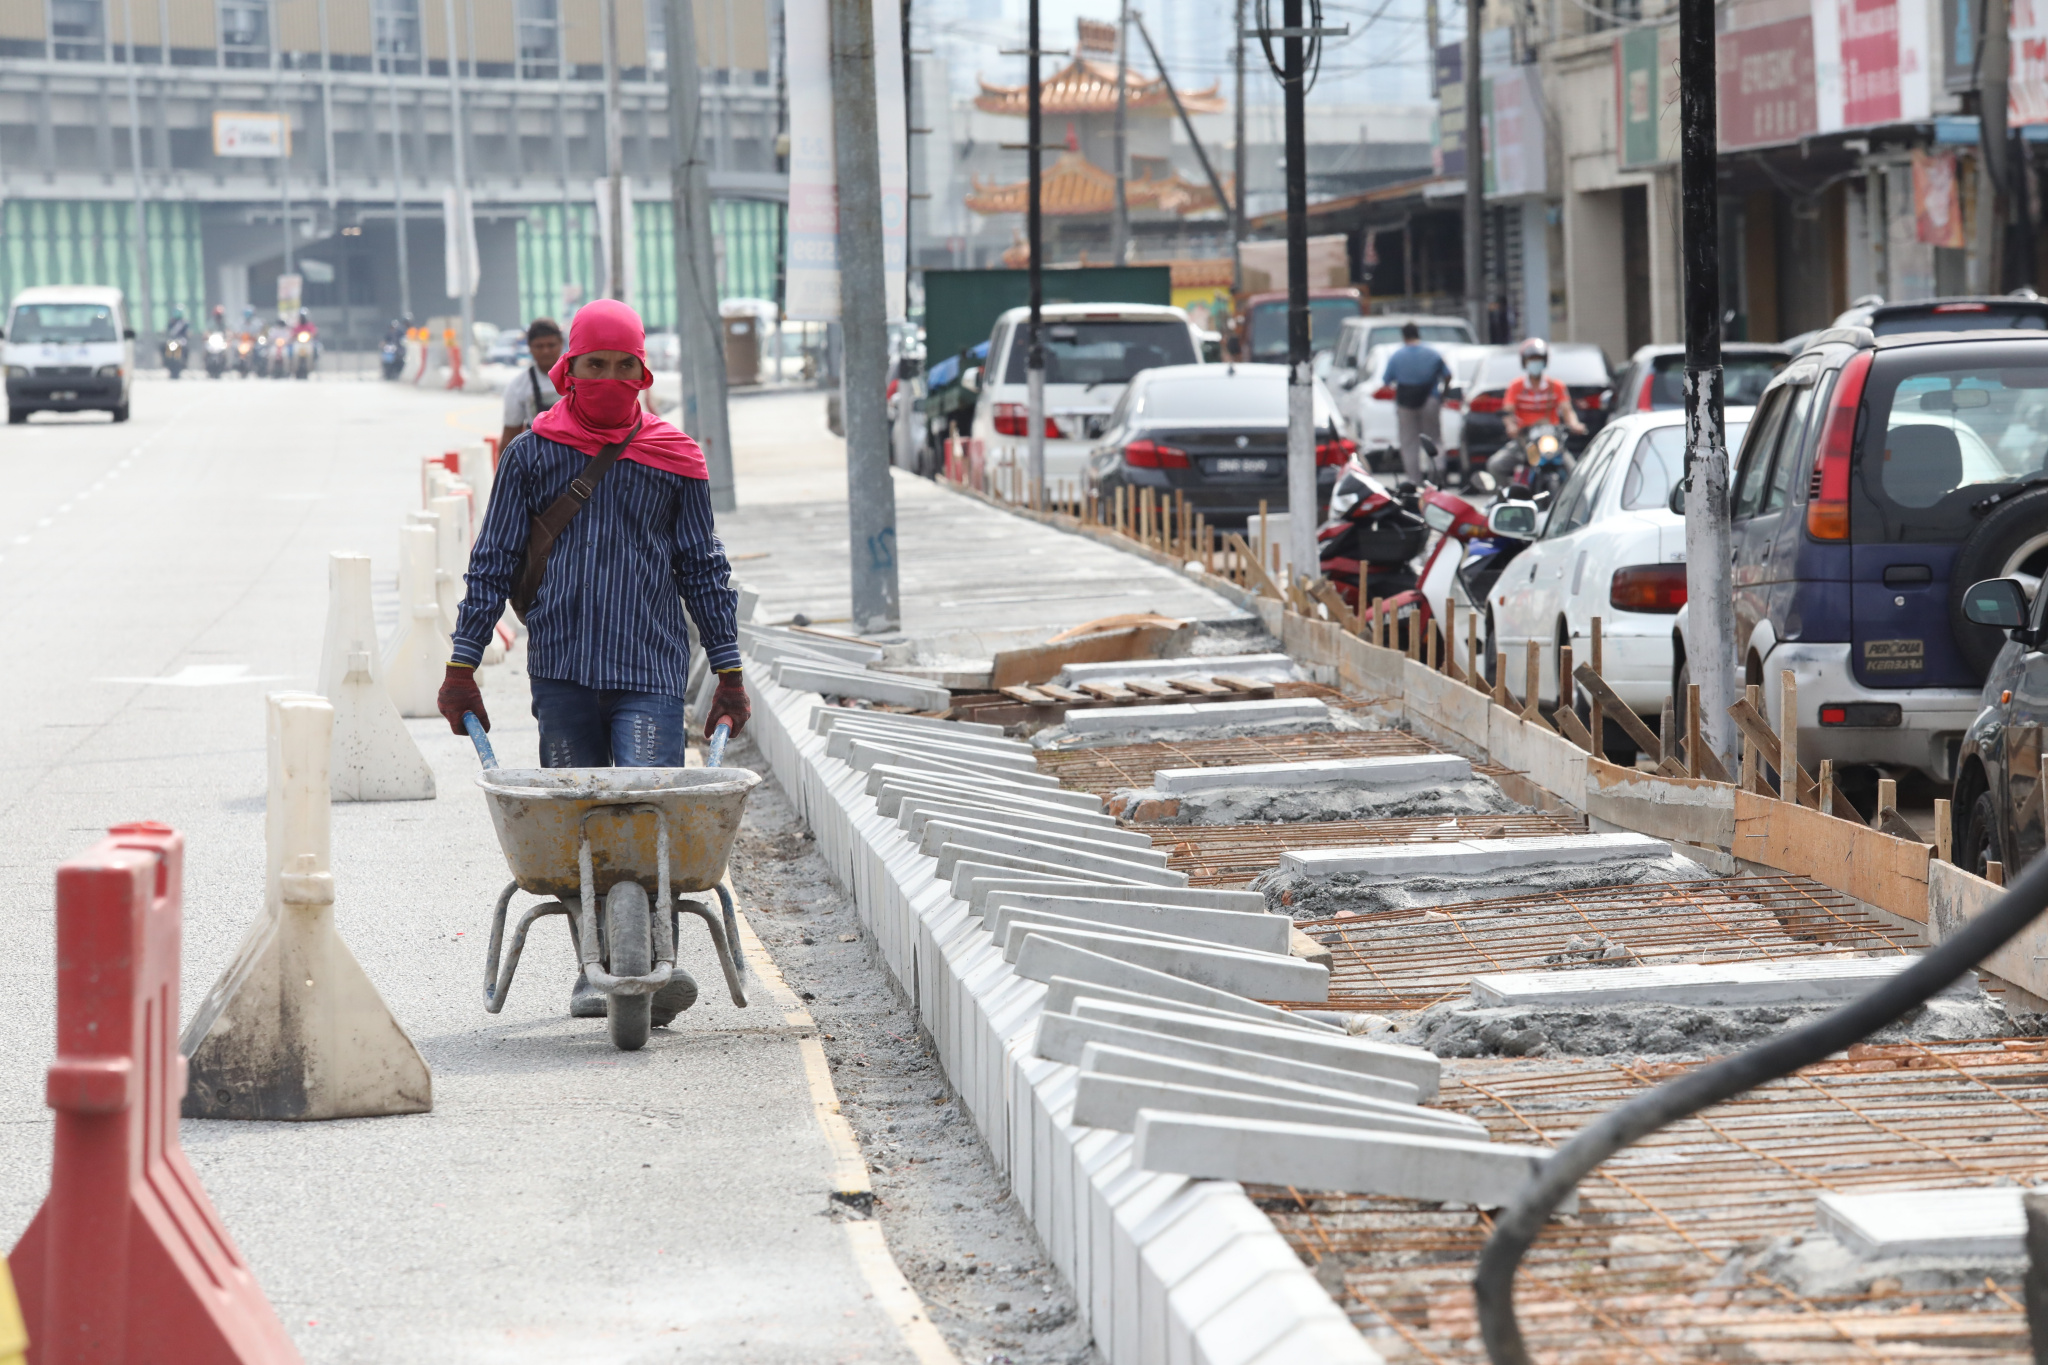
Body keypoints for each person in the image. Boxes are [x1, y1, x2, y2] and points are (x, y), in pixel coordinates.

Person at [436, 299, 749, 1021]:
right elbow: (492, 564)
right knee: (583, 829)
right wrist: (462, 664)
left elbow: (703, 569)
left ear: (641, 373)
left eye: (622, 367)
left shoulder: (676, 458)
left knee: (645, 820)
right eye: (593, 365)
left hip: (651, 672)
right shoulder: (532, 455)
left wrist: (729, 672)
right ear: (567, 369)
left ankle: (654, 953)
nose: (608, 379)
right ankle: (591, 967)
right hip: (564, 670)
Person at [1488, 338, 1586, 487]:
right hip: (1526, 441)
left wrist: (1575, 424)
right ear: (1524, 362)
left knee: (1577, 476)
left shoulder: (1556, 386)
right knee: (1495, 465)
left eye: (1539, 359)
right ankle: (1510, 498)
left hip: (1552, 441)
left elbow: (1567, 411)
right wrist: (1511, 427)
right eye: (1532, 360)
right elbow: (1508, 413)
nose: (1535, 363)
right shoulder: (1516, 386)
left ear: (1545, 361)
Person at [1379, 322, 1452, 483]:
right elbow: (1448, 375)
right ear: (1418, 334)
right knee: (1434, 439)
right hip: (1430, 399)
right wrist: (1443, 395)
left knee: (1409, 443)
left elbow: (1386, 381)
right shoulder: (1432, 353)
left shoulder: (1397, 356)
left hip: (1405, 403)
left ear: (1404, 336)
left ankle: (1414, 481)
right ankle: (1437, 474)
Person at [499, 317, 564, 453]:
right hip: (537, 459)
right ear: (529, 347)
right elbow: (510, 435)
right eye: (539, 346)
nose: (546, 351)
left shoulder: (579, 378)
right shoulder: (518, 386)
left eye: (551, 345)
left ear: (561, 344)